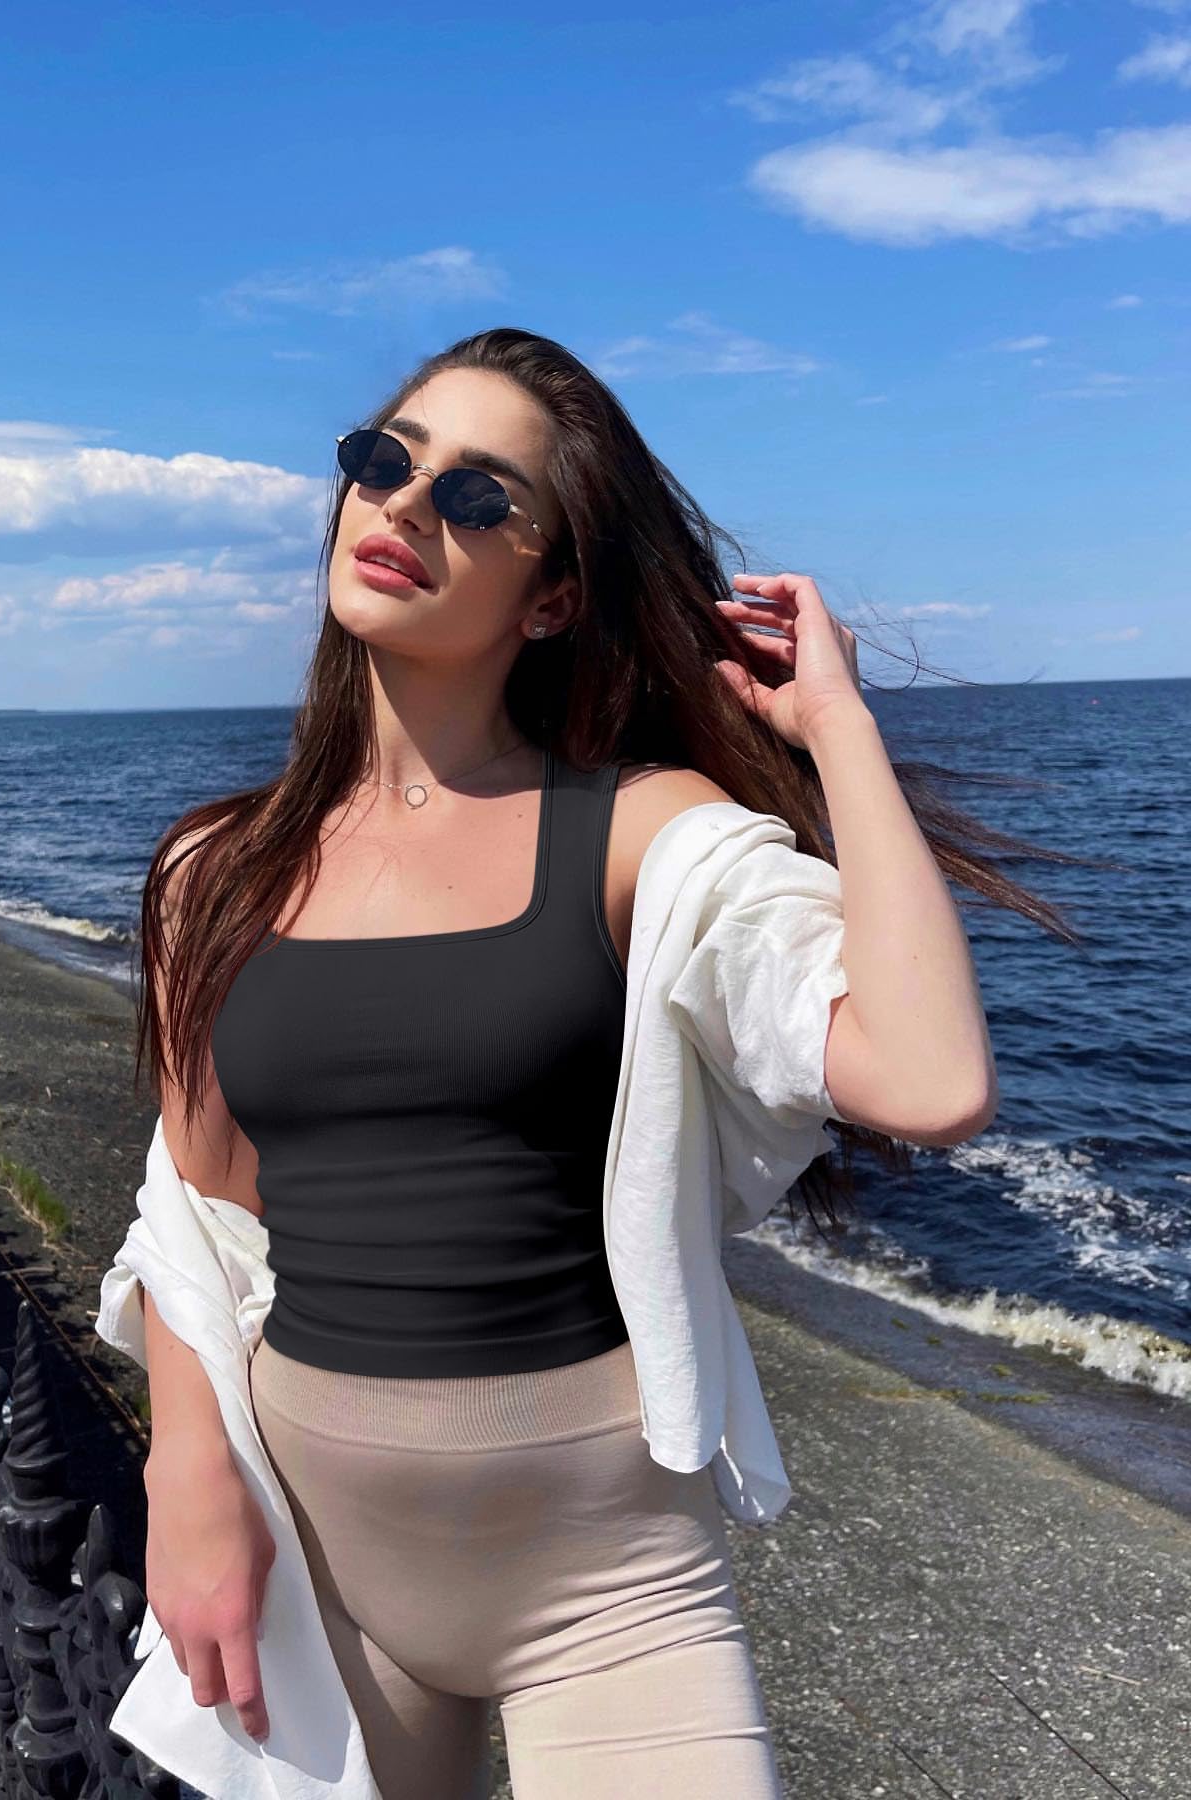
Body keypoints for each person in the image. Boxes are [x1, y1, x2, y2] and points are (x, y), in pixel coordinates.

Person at [127, 326, 1027, 1800]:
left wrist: (837, 726)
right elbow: (199, 1205)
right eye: (386, 459)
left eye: (480, 496)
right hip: (317, 1560)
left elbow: (930, 1080)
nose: (407, 504)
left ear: (552, 598)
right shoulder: (212, 870)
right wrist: (186, 1477)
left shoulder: (636, 830)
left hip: (609, 1586)